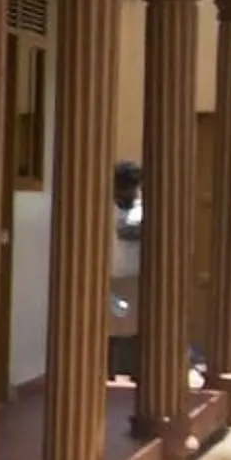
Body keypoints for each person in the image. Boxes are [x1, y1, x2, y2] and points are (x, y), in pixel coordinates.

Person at [109, 159, 142, 379]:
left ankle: (137, 373)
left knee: (138, 328)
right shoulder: (107, 208)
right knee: (110, 329)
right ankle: (106, 374)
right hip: (112, 274)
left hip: (137, 274)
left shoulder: (142, 209)